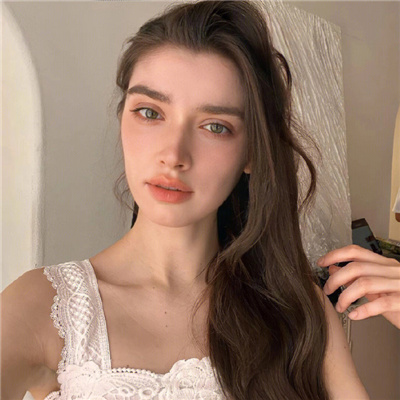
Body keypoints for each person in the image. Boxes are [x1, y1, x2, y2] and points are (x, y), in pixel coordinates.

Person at [1, 1, 399, 399]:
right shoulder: (44, 306)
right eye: (150, 113)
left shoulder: (295, 309)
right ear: (123, 118)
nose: (174, 155)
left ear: (251, 153)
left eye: (215, 126)